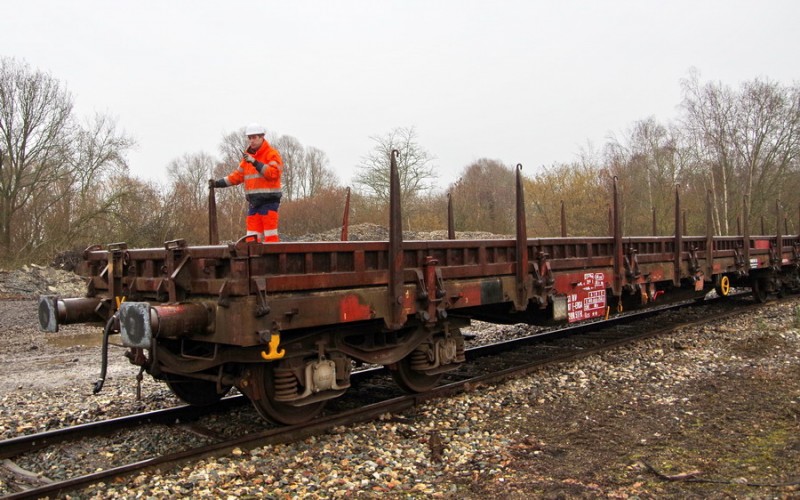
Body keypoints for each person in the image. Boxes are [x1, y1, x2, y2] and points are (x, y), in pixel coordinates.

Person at [210, 123, 284, 242]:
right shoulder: (247, 158)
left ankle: (272, 259)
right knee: (251, 238)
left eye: (254, 137)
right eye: (249, 138)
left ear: (262, 137)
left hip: (269, 202)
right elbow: (237, 176)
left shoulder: (271, 154)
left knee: (270, 236)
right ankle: (254, 260)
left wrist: (255, 162)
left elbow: (273, 174)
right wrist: (218, 183)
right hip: (254, 204)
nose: (251, 140)